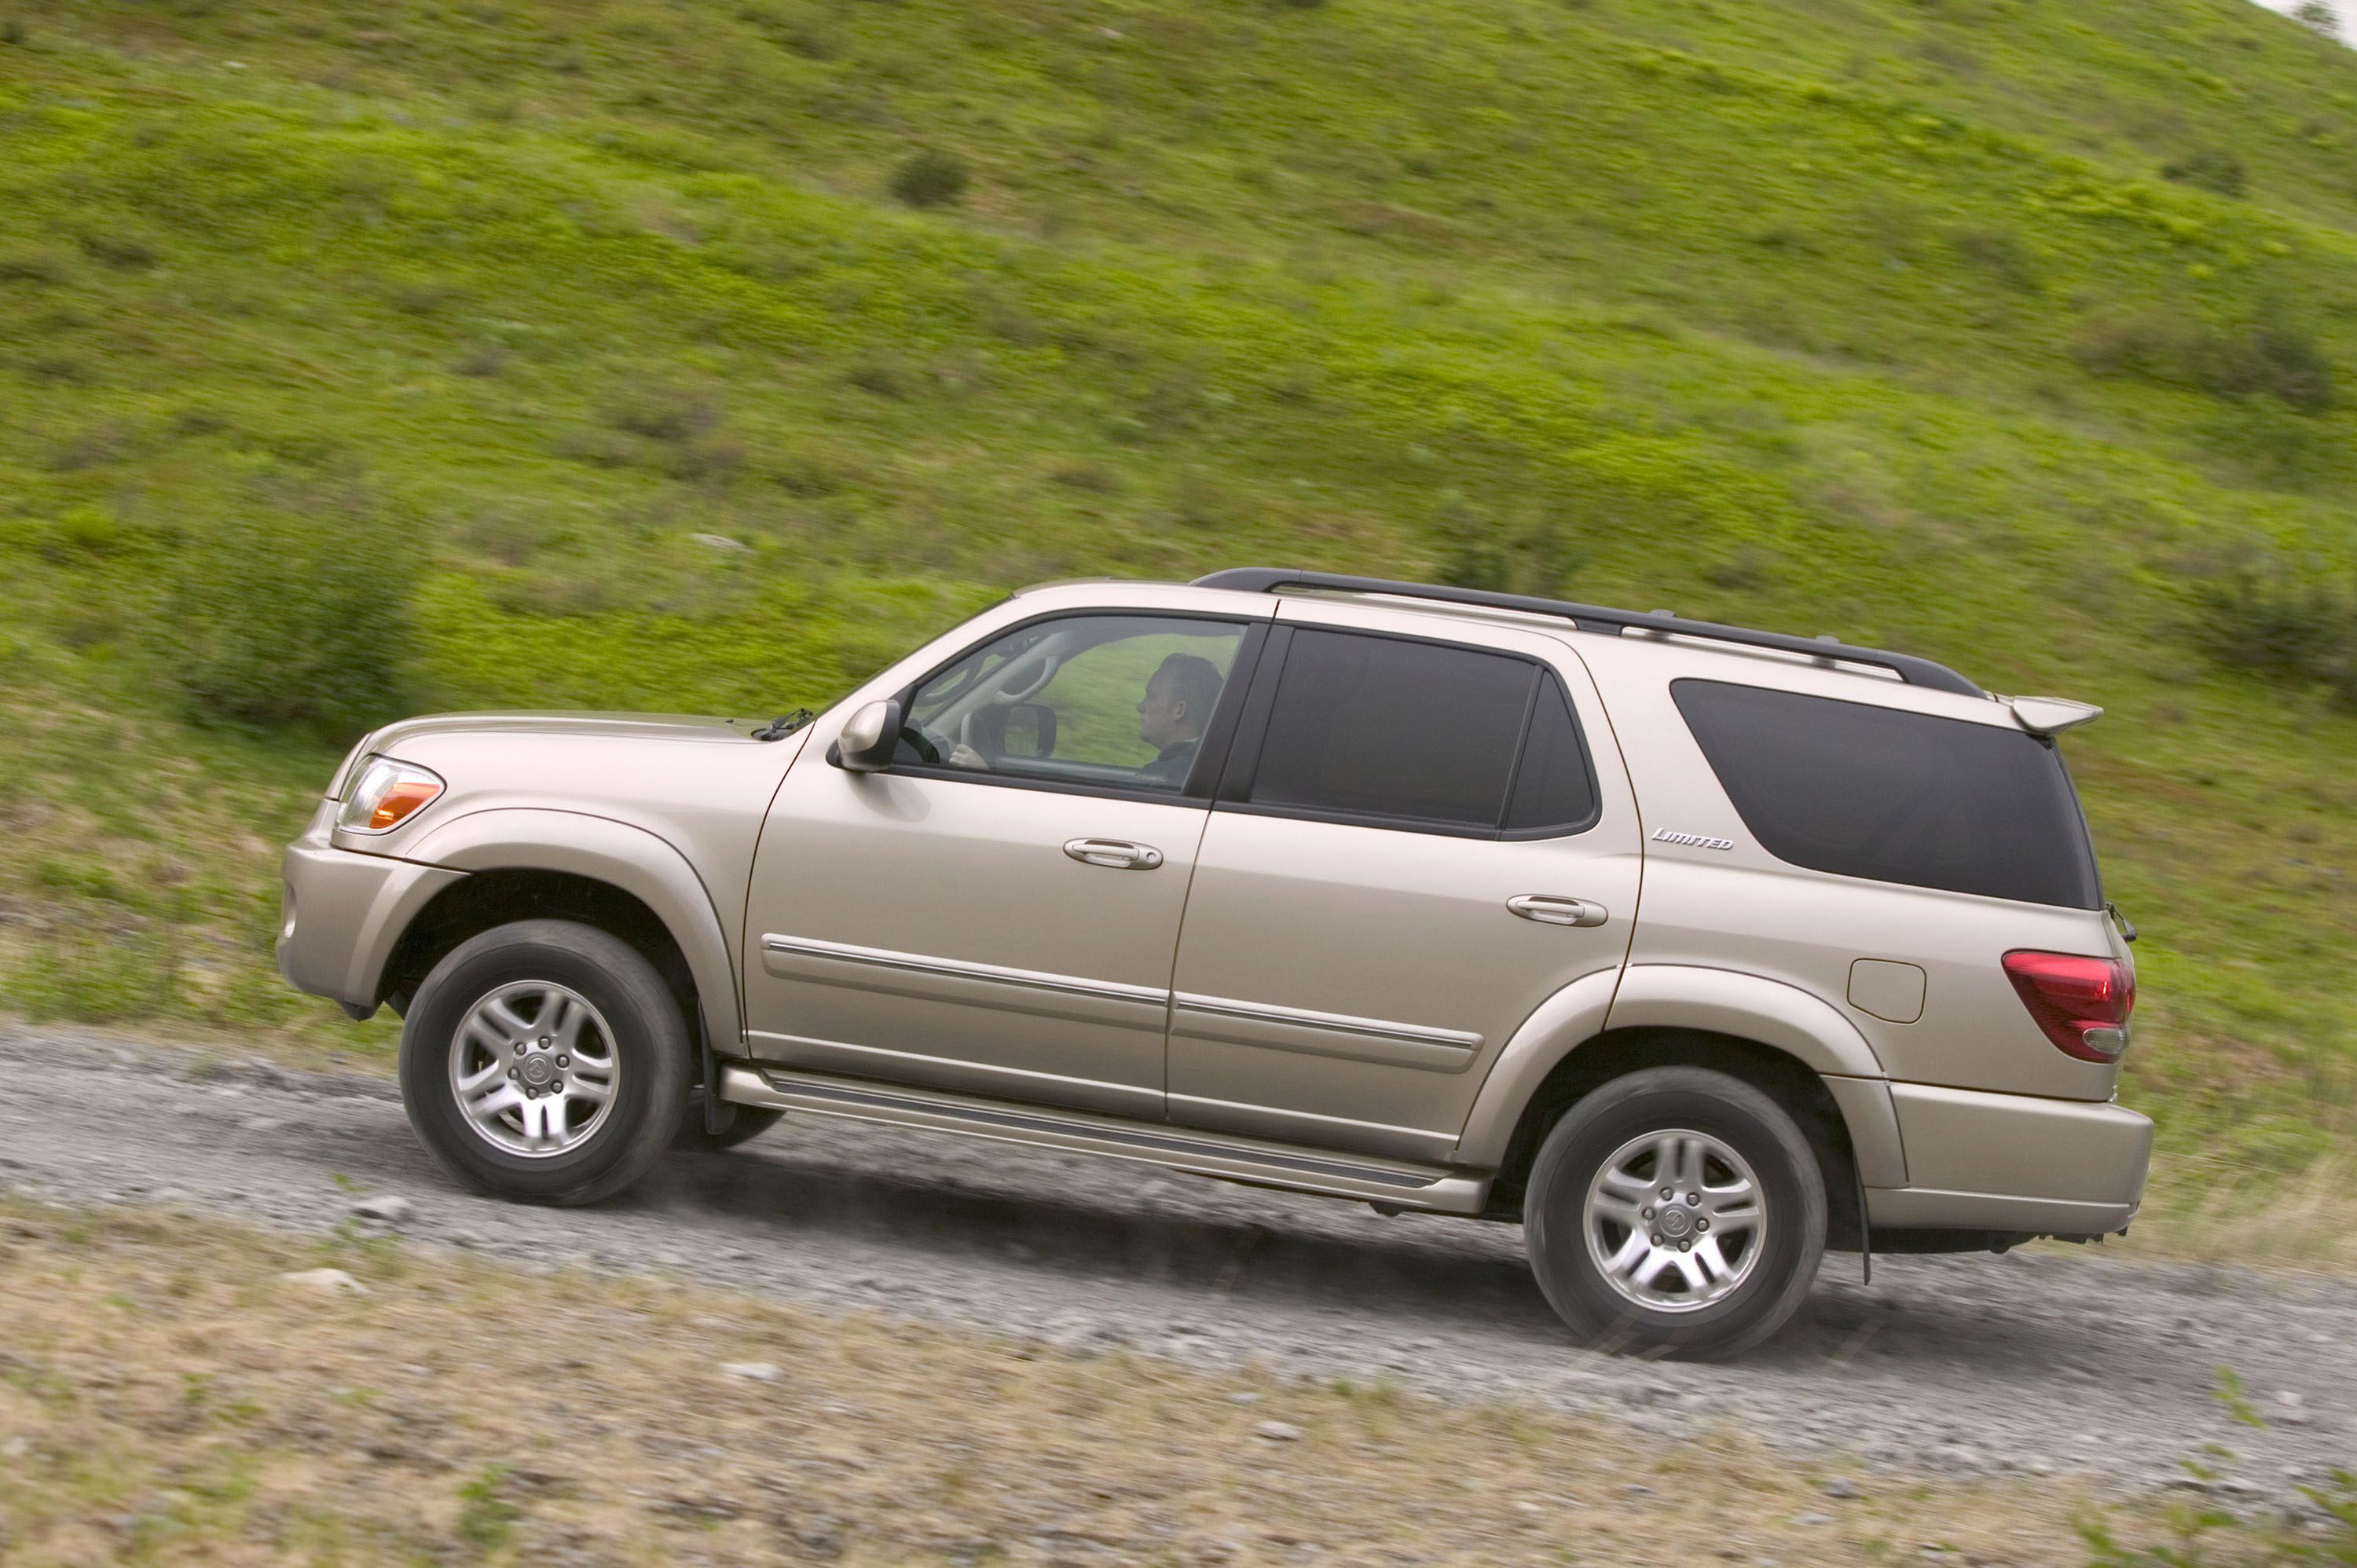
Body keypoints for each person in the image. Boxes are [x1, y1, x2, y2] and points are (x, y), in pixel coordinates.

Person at [948, 650, 1223, 787]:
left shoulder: (1167, 777)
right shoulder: (1189, 768)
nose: (1140, 707)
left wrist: (986, 780)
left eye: (1151, 698)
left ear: (1179, 710)